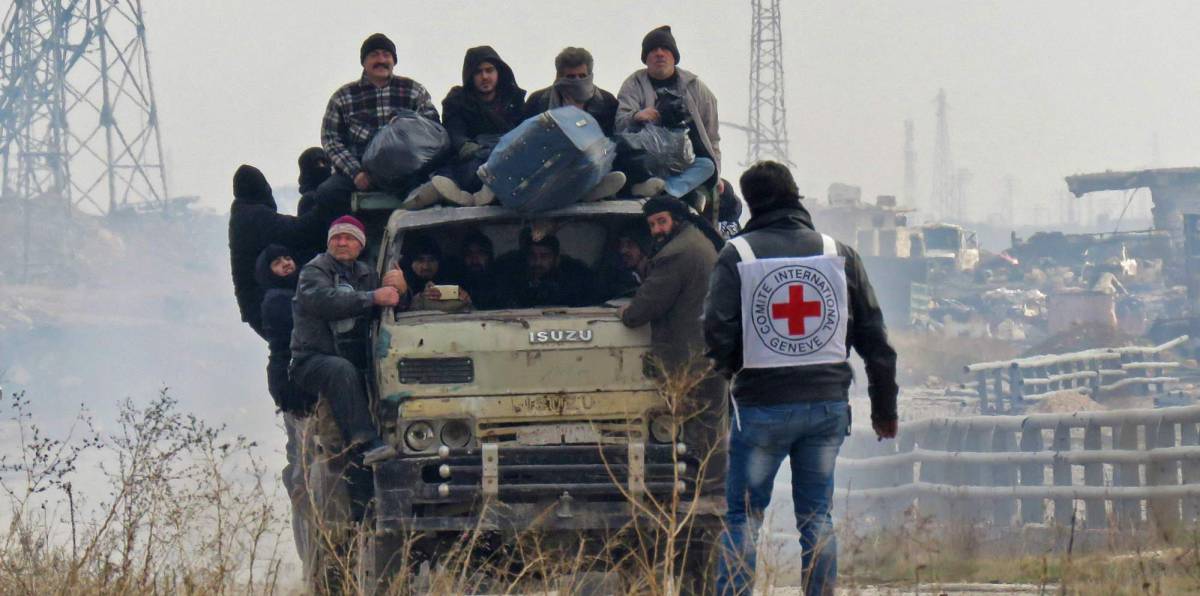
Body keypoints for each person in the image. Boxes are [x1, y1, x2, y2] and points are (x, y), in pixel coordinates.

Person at [703, 162, 899, 596]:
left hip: (761, 408)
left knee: (744, 517)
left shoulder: (739, 254)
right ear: (795, 194)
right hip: (827, 406)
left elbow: (716, 331)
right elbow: (875, 340)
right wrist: (885, 410)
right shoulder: (839, 253)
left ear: (751, 202)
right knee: (817, 517)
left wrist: (739, 367)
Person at [290, 216, 408, 465]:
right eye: (337, 237)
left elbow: (390, 308)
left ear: (360, 245)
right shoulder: (314, 271)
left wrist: (401, 290)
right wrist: (373, 297)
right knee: (339, 370)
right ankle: (365, 442)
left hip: (356, 365)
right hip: (313, 359)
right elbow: (324, 301)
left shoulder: (366, 274)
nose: (342, 242)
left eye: (349, 238)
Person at [316, 33, 442, 210]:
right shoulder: (343, 97)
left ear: (393, 60)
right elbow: (331, 139)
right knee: (327, 193)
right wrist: (356, 173)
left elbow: (433, 129)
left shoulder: (414, 90)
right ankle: (343, 236)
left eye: (386, 55)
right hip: (359, 174)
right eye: (374, 55)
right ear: (364, 62)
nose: (381, 60)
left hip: (407, 174)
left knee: (436, 193)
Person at [254, 243, 318, 575]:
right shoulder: (278, 300)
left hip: (300, 387)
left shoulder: (297, 292)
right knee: (303, 476)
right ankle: (310, 560)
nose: (285, 264)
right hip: (296, 389)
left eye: (288, 258)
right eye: (277, 262)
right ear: (269, 272)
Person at [228, 164, 347, 338]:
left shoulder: (243, 215)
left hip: (255, 306)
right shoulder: (252, 216)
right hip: (263, 305)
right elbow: (298, 231)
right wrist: (326, 206)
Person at [616, 26, 722, 205]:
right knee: (621, 153)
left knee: (707, 166)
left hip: (686, 159)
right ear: (645, 58)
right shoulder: (633, 84)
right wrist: (637, 116)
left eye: (665, 48)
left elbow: (712, 136)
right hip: (647, 157)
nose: (659, 53)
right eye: (653, 50)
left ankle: (668, 192)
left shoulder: (696, 88)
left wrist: (718, 175)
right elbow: (619, 123)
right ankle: (649, 188)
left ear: (674, 56)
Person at [430, 46, 527, 207]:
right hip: (473, 159)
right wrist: (467, 146)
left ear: (498, 72)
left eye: (489, 70)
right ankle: (459, 193)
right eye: (478, 72)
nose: (484, 76)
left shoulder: (514, 100)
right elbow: (454, 132)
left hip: (509, 157)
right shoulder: (458, 101)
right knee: (458, 169)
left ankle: (492, 189)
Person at [523, 47, 619, 136]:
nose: (577, 81)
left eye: (582, 76)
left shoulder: (606, 102)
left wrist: (578, 117)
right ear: (559, 77)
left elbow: (608, 141)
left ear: (590, 76)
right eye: (571, 77)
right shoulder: (538, 100)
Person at [504, 231, 594, 308]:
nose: (537, 262)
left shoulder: (574, 282)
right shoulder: (511, 280)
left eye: (544, 256)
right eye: (532, 256)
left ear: (556, 259)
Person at [599, 222, 652, 299]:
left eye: (630, 244)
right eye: (621, 245)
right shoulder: (615, 282)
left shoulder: (661, 276)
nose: (623, 251)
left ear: (645, 248)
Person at [459, 229, 502, 309]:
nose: (474, 259)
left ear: (489, 257)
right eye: (469, 254)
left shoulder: (501, 285)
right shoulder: (456, 286)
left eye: (480, 253)